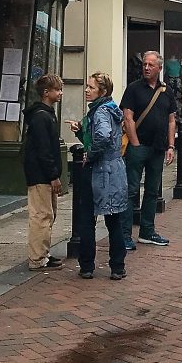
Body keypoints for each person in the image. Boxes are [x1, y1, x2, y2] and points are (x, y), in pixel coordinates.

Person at [71, 73, 128, 281]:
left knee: (87, 219)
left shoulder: (100, 111)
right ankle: (117, 267)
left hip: (99, 171)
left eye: (91, 88)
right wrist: (81, 131)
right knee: (114, 220)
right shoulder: (111, 108)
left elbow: (103, 136)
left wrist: (91, 155)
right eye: (86, 86)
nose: (86, 90)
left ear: (102, 92)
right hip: (115, 169)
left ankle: (87, 266)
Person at [120, 51, 177, 248]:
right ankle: (125, 235)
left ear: (159, 68)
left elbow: (171, 120)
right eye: (144, 64)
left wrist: (171, 145)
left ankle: (147, 231)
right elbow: (128, 117)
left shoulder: (166, 91)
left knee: (152, 191)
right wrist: (135, 144)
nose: (146, 67)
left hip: (158, 148)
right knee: (131, 191)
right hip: (139, 147)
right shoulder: (133, 89)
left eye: (151, 65)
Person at [23, 74, 65, 272]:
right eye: (57, 90)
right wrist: (53, 175)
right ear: (46, 93)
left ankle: (43, 253)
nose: (60, 93)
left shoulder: (45, 114)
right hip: (41, 175)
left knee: (48, 214)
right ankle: (37, 258)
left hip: (44, 173)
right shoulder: (42, 117)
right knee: (41, 215)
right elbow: (43, 149)